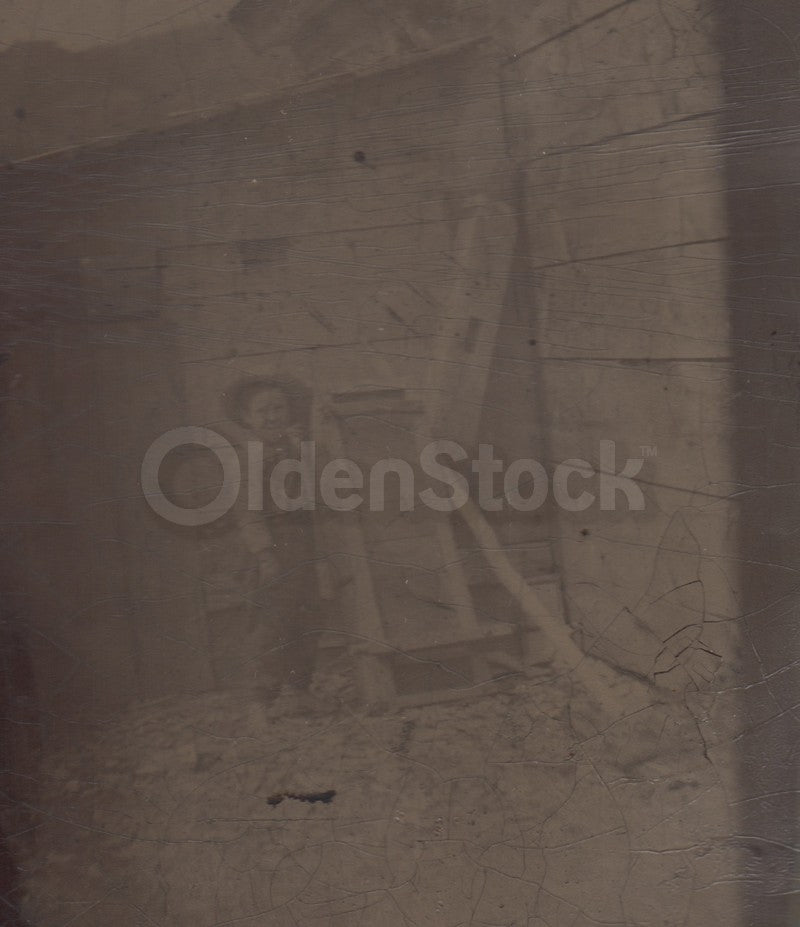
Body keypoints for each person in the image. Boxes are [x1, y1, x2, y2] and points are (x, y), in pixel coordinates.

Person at [225, 377, 332, 712]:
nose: (272, 417)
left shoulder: (299, 450)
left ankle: (300, 691)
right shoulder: (247, 458)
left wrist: (304, 453)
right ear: (247, 418)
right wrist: (265, 555)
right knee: (269, 623)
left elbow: (324, 491)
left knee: (307, 617)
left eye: (278, 408)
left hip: (303, 543)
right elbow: (248, 513)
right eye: (262, 411)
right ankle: (260, 702)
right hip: (269, 549)